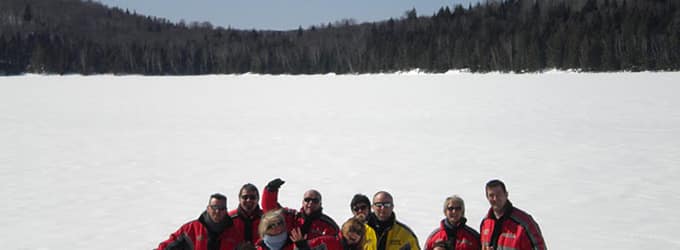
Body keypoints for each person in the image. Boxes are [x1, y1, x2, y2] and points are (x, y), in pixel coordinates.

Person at [157, 193, 243, 250]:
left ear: (226, 210)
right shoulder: (191, 229)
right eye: (214, 207)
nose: (217, 212)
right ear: (208, 208)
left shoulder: (234, 234)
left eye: (221, 209)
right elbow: (168, 246)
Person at [262, 178, 339, 239]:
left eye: (315, 201)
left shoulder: (328, 225)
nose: (310, 203)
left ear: (320, 204)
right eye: (307, 200)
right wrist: (270, 191)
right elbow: (271, 211)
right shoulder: (292, 217)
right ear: (302, 202)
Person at [480, 179, 546, 250]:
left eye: (499, 194)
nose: (495, 198)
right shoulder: (485, 223)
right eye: (491, 195)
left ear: (506, 194)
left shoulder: (524, 222)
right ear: (487, 197)